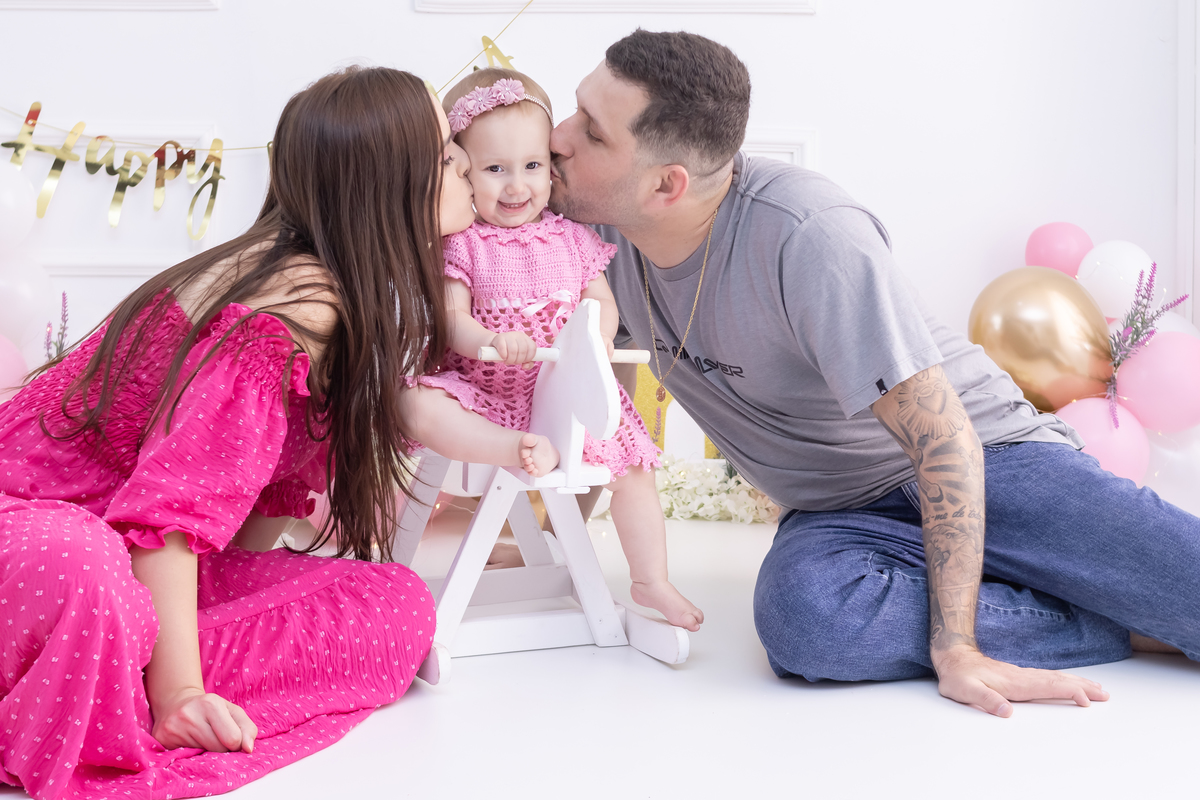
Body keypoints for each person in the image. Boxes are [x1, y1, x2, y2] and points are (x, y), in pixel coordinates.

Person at [549, 28, 1200, 716]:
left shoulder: (808, 233)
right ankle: (1116, 620)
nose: (558, 138)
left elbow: (945, 444)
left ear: (666, 185)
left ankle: (1037, 608)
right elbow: (594, 398)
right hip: (843, 515)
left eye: (592, 131)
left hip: (992, 462)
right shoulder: (589, 243)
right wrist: (550, 544)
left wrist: (955, 650)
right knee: (804, 622)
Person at [0, 66, 477, 799]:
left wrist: (192, 631)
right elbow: (170, 521)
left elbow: (234, 527)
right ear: (390, 181)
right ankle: (126, 681)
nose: (467, 168)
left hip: (133, 572)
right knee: (79, 560)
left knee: (398, 604)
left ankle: (98, 672)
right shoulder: (288, 305)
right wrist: (182, 693)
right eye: (446, 156)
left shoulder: (333, 294)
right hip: (36, 538)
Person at [402, 68, 703, 632]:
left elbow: (600, 304)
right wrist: (488, 340)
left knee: (635, 470)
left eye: (532, 166)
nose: (517, 187)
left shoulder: (572, 237)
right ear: (462, 171)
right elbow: (449, 318)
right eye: (495, 170)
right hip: (485, 394)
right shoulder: (461, 241)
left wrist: (589, 337)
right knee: (419, 403)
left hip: (561, 397)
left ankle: (651, 579)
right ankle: (509, 446)